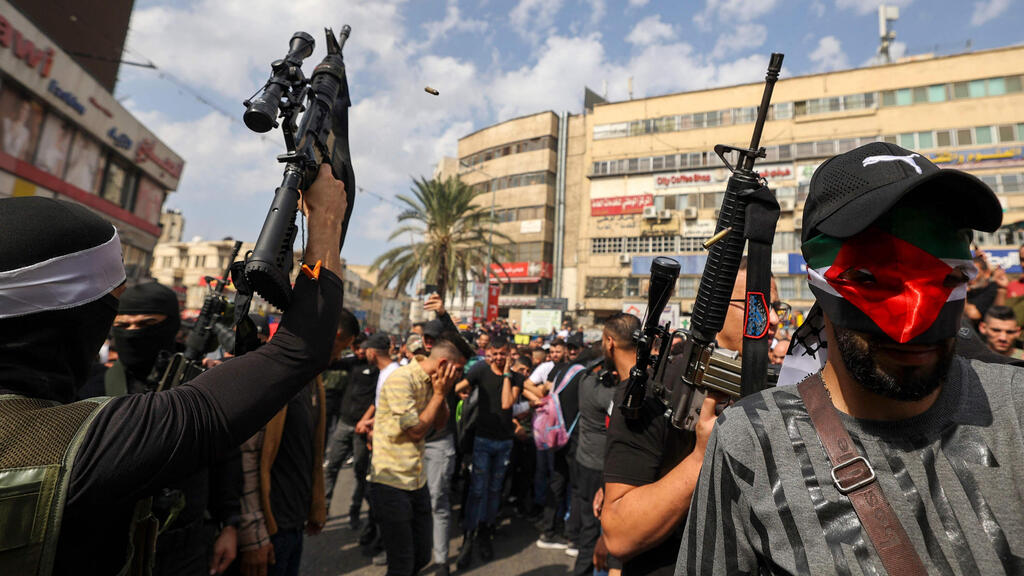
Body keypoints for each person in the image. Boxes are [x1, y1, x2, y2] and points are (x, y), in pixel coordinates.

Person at [675, 142, 1023, 575]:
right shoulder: (751, 442)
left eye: (947, 277)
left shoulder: (1015, 408)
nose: (913, 324)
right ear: (817, 283)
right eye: (868, 279)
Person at [0, 162, 347, 575]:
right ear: (79, 319)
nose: (126, 331)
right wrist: (326, 218)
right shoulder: (84, 443)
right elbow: (297, 349)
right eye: (114, 304)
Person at [601, 260, 777, 576]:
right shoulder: (654, 390)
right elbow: (619, 533)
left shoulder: (775, 389)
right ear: (716, 310)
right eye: (759, 306)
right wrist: (700, 457)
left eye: (777, 307)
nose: (774, 319)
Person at [97, 281, 242, 576]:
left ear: (172, 326)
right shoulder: (95, 385)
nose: (133, 332)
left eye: (147, 324)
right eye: (123, 325)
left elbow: (225, 460)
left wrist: (230, 524)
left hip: (184, 548)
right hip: (110, 550)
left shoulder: (199, 386)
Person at [238, 308, 360, 576]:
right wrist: (253, 534)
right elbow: (246, 460)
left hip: (293, 524)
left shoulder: (312, 381)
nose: (340, 356)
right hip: (268, 531)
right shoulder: (272, 376)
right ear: (334, 335)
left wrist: (314, 506)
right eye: (342, 347)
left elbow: (311, 455)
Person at [370, 331, 474, 576]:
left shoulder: (434, 382)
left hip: (416, 480)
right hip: (391, 481)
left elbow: (440, 423)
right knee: (402, 563)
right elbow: (416, 431)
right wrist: (438, 395)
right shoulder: (401, 380)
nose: (459, 376)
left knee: (422, 555)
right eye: (458, 370)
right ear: (443, 363)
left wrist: (441, 394)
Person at [573, 314, 639, 576]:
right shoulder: (627, 391)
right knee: (597, 532)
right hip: (606, 473)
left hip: (600, 470)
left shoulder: (591, 383)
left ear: (609, 342)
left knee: (591, 530)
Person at [454, 336, 523, 569]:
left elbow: (506, 403)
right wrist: (462, 392)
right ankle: (469, 537)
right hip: (482, 440)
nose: (499, 357)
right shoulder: (480, 370)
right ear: (489, 353)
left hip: (504, 442)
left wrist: (507, 375)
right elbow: (458, 386)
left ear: (509, 353)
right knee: (477, 491)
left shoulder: (515, 377)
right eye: (495, 353)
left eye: (503, 353)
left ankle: (486, 531)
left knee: (494, 491)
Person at [323, 332, 376, 529]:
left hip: (362, 428)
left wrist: (367, 421)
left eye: (363, 347)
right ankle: (324, 509)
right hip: (343, 424)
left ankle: (355, 511)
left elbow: (378, 398)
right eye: (356, 347)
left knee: (360, 472)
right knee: (331, 466)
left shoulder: (378, 368)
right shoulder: (351, 362)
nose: (360, 351)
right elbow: (329, 363)